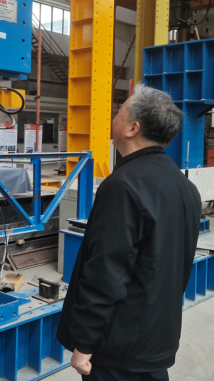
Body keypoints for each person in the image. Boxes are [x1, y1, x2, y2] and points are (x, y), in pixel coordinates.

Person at [57, 84, 202, 381]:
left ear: (132, 128)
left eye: (119, 112)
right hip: (156, 337)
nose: (113, 117)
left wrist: (84, 343)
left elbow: (106, 271)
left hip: (118, 345)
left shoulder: (122, 186)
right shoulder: (184, 186)